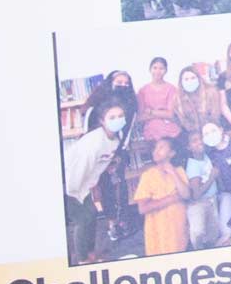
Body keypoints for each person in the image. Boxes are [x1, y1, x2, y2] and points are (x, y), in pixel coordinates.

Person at [62, 102, 128, 265]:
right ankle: (82, 260)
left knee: (91, 215)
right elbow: (78, 169)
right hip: (70, 185)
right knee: (83, 219)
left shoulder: (116, 137)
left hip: (84, 185)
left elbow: (102, 162)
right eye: (112, 117)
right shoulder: (94, 143)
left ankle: (91, 253)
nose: (117, 120)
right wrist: (74, 192)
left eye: (120, 116)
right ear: (102, 121)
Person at [130, 137, 191, 256]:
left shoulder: (179, 171)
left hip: (178, 230)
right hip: (158, 233)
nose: (156, 151)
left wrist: (172, 172)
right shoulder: (148, 175)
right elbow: (143, 208)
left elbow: (186, 195)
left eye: (161, 147)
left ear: (172, 153)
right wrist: (172, 198)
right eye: (155, 148)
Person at [179, 129, 221, 248]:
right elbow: (196, 194)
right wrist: (212, 178)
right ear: (189, 147)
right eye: (194, 141)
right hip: (200, 203)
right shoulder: (193, 166)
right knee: (198, 233)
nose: (199, 142)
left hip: (211, 200)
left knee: (213, 234)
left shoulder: (205, 157)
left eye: (201, 139)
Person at [135, 57, 182, 145]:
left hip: (171, 131)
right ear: (150, 69)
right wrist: (161, 114)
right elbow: (140, 117)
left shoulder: (171, 89)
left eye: (161, 68)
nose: (157, 71)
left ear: (166, 70)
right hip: (151, 134)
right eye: (155, 68)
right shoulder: (142, 91)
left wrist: (150, 111)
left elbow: (170, 114)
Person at [175, 61, 222, 145]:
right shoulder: (177, 99)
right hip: (194, 135)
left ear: (199, 79)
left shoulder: (211, 92)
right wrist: (196, 134)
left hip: (212, 130)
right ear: (181, 82)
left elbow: (215, 116)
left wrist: (207, 132)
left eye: (193, 78)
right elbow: (183, 121)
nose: (190, 81)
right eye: (186, 79)